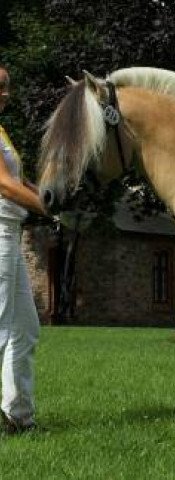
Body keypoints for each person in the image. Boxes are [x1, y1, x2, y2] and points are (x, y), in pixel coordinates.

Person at [0, 66, 47, 434]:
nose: (5, 94)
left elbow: (17, 180)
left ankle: (18, 416)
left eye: (7, 88)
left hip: (11, 232)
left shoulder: (2, 131)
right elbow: (3, 185)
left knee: (25, 328)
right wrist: (44, 207)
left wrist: (46, 193)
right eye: (0, 87)